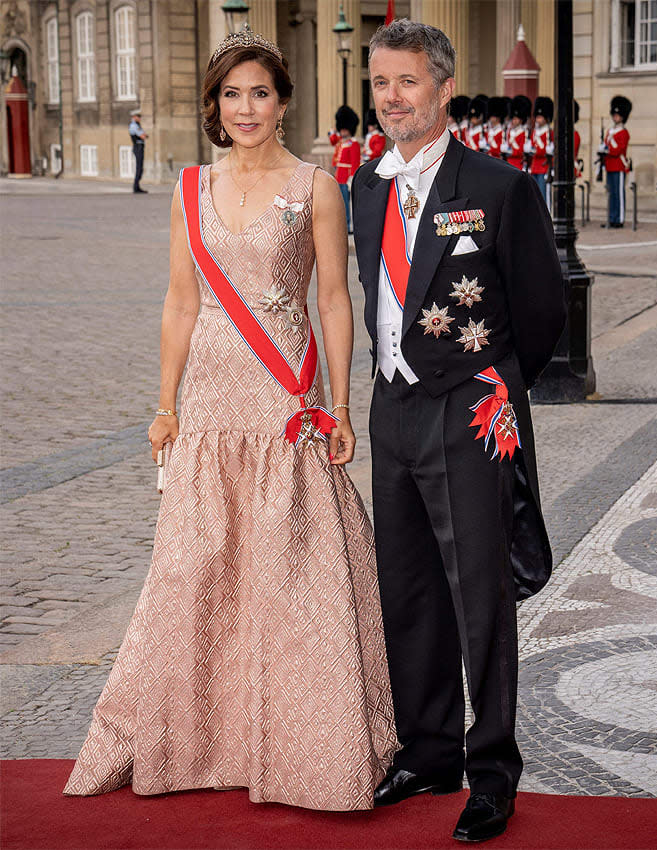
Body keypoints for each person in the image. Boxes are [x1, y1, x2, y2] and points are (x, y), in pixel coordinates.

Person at [64, 27, 397, 811]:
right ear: (215, 105)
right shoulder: (187, 189)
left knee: (293, 572)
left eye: (260, 92)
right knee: (197, 569)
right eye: (231, 94)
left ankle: (308, 744)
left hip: (287, 396)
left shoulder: (317, 186)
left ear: (283, 102)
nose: (245, 107)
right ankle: (205, 739)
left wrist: (340, 403)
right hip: (212, 402)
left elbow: (334, 300)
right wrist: (165, 404)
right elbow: (181, 304)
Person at [352, 19, 565, 843]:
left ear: (442, 87)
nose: (392, 98)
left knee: (480, 597)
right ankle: (429, 749)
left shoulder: (500, 186)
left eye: (407, 82)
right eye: (380, 83)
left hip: (470, 409)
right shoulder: (367, 186)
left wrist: (493, 384)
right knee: (407, 589)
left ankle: (493, 769)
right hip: (391, 406)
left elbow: (540, 310)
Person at [600, 95, 632, 228]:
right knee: (611, 193)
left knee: (619, 194)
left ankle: (619, 218)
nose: (616, 117)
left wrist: (608, 147)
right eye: (614, 114)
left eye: (618, 115)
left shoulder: (624, 132)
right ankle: (612, 217)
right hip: (609, 165)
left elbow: (618, 150)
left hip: (619, 165)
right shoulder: (610, 131)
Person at [328, 106, 361, 233]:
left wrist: (352, 177)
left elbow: (355, 162)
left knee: (347, 204)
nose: (342, 132)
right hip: (339, 176)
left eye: (344, 129)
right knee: (340, 203)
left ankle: (348, 225)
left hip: (346, 177)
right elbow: (332, 140)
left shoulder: (354, 144)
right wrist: (333, 130)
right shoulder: (341, 142)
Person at [528, 97, 554, 209]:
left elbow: (547, 151)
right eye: (537, 117)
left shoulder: (549, 132)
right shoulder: (534, 132)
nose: (538, 119)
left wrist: (538, 151)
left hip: (544, 167)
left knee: (544, 196)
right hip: (535, 166)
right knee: (534, 195)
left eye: (540, 117)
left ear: (546, 118)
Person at [501, 95, 530, 169]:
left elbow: (521, 151)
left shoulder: (524, 132)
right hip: (508, 163)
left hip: (519, 164)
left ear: (521, 120)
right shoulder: (508, 132)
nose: (514, 121)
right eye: (513, 119)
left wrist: (512, 151)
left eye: (516, 119)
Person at [128, 110, 148, 194]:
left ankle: (137, 186)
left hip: (139, 147)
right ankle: (136, 187)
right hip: (138, 147)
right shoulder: (134, 126)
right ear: (134, 117)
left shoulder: (136, 125)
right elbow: (143, 136)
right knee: (139, 167)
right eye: (138, 116)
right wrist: (144, 135)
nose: (140, 118)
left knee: (140, 168)